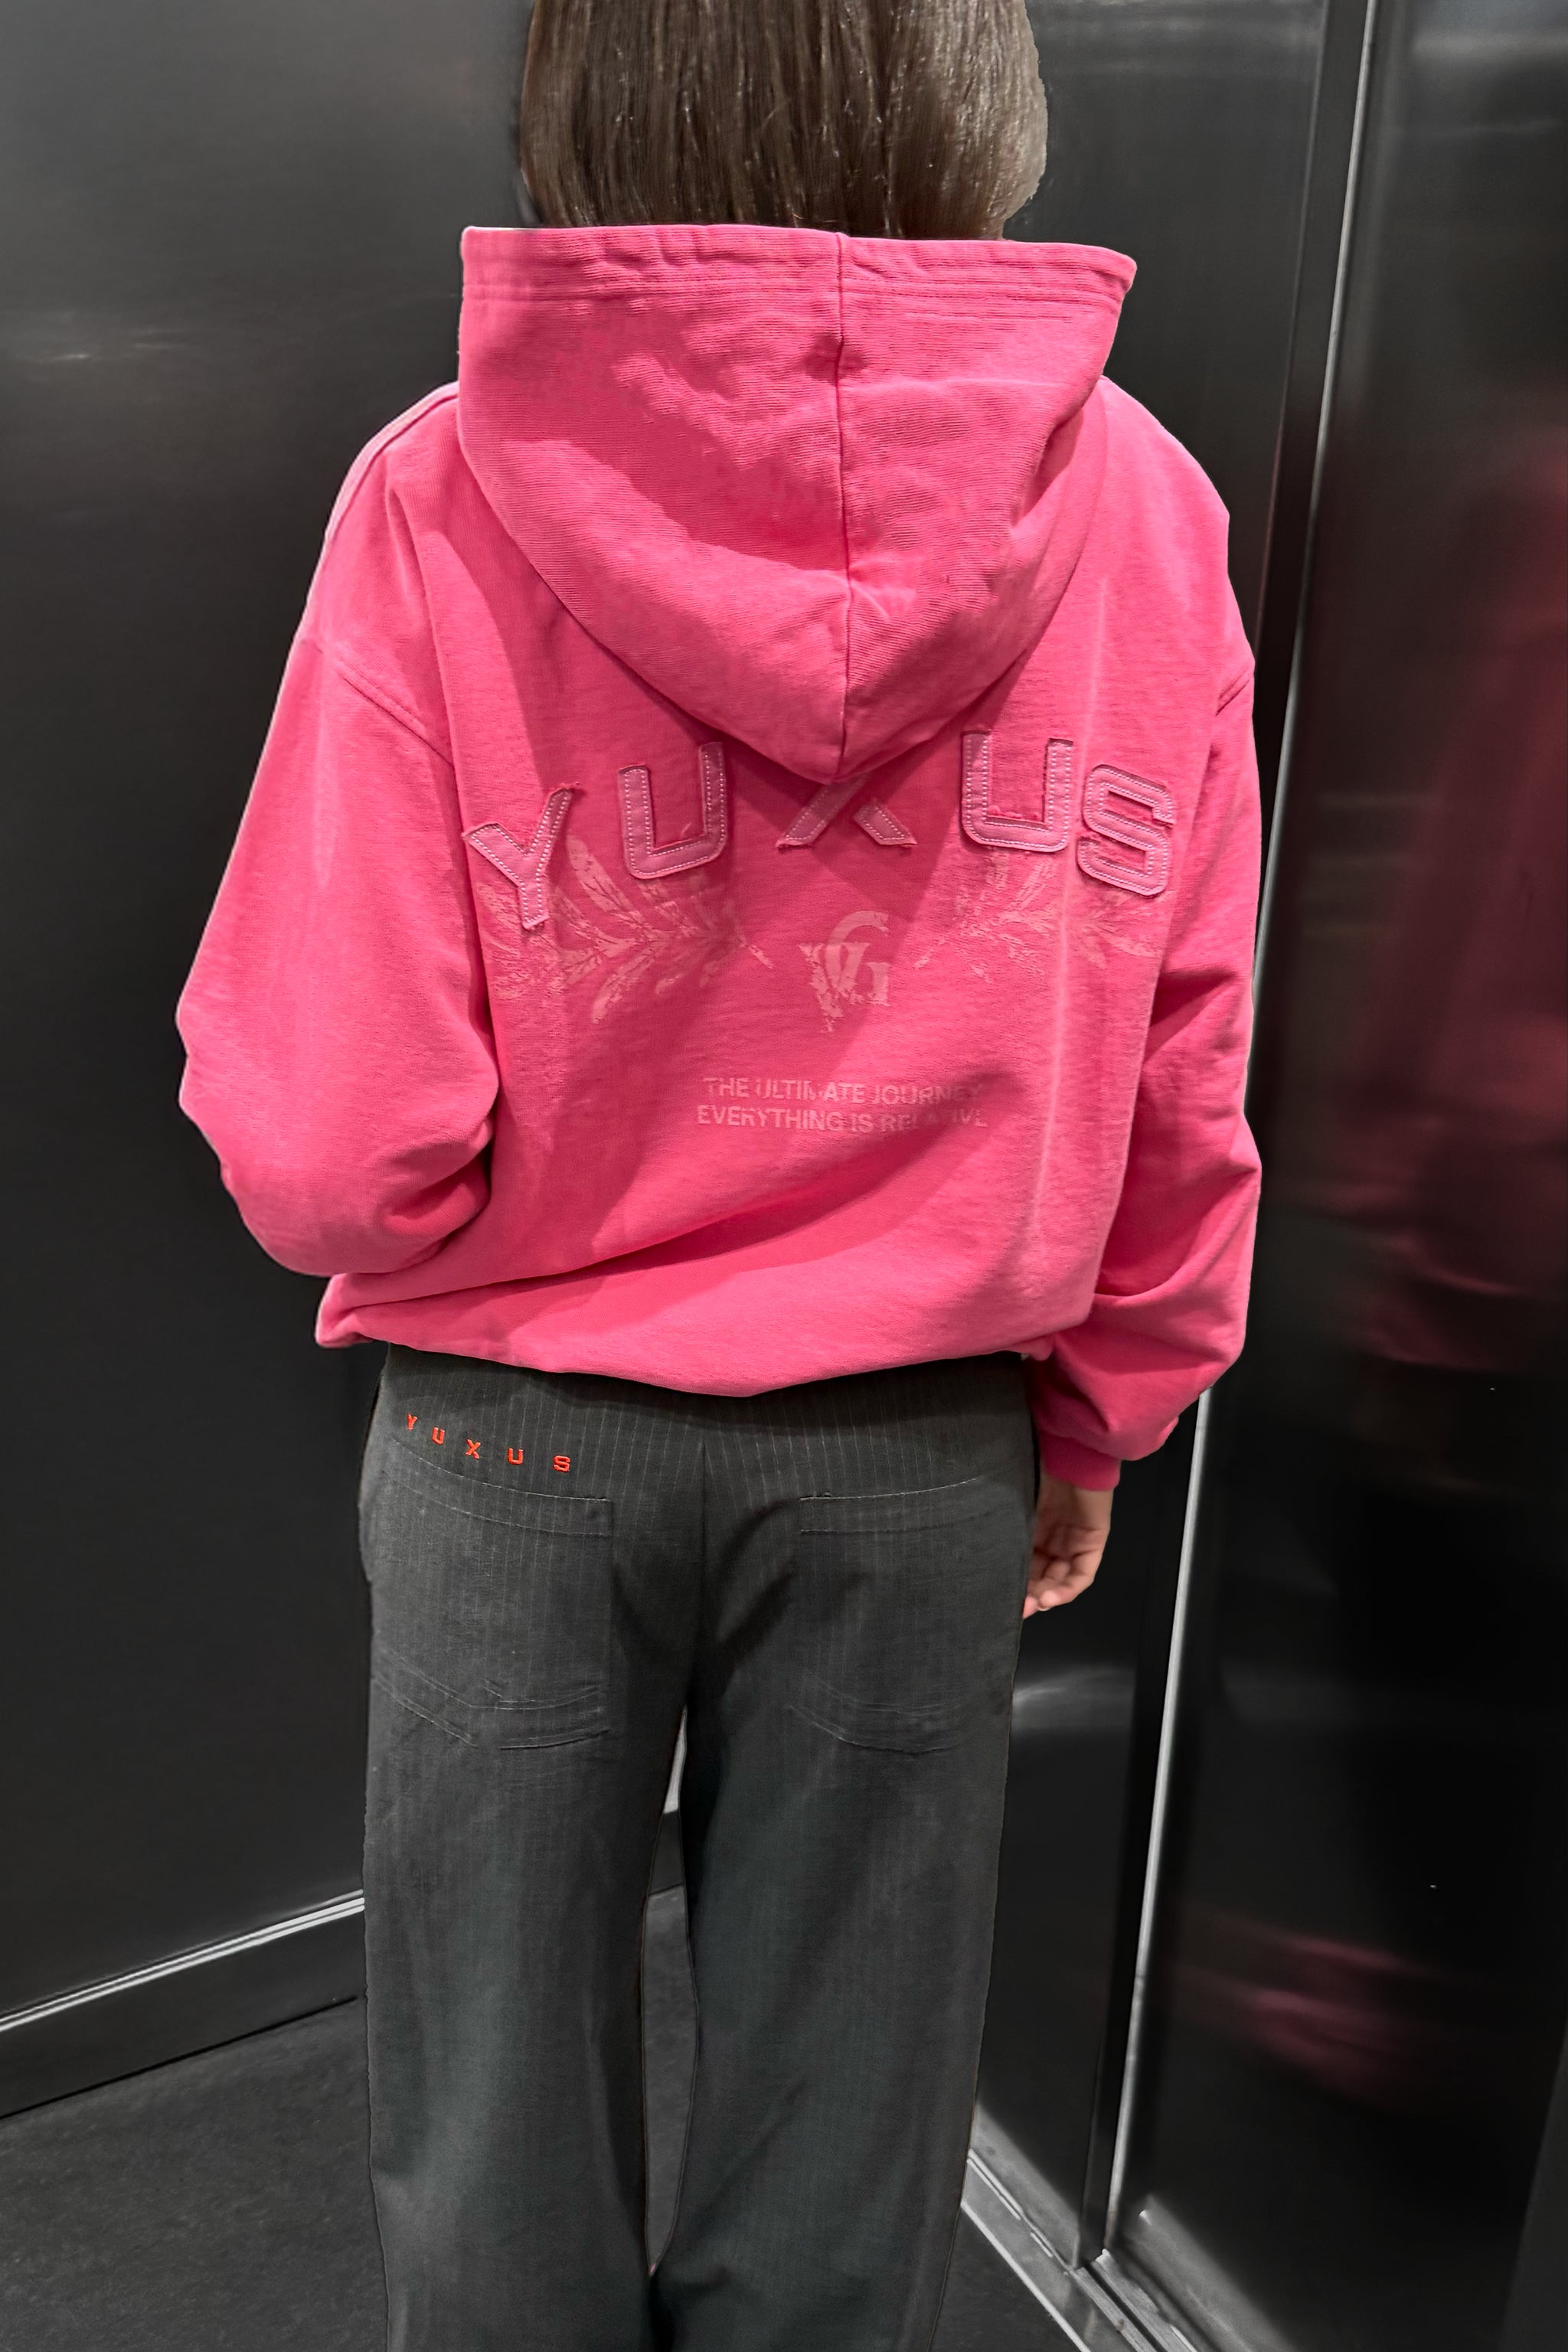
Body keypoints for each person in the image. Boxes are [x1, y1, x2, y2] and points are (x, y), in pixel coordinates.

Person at [176, 0, 1261, 2343]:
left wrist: (481, 1245)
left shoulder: (442, 493)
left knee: (492, 2112)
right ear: (970, 85)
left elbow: (333, 1125)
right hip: (922, 1440)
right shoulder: (1145, 509)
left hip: (514, 1436)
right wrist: (1105, 1406)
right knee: (854, 2115)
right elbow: (1185, 1065)